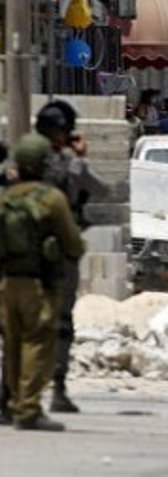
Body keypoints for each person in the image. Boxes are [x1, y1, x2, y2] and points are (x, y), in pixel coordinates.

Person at [0, 133, 86, 431]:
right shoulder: (52, 199)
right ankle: (28, 409)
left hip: (7, 284)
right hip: (39, 284)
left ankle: (14, 403)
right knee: (37, 343)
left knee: (12, 344)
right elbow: (74, 244)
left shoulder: (5, 198)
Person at [35, 100, 108, 415]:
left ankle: (10, 391)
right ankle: (58, 389)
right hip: (60, 255)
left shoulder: (20, 162)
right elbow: (102, 190)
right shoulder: (69, 165)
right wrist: (81, 159)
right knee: (62, 322)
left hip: (21, 253)